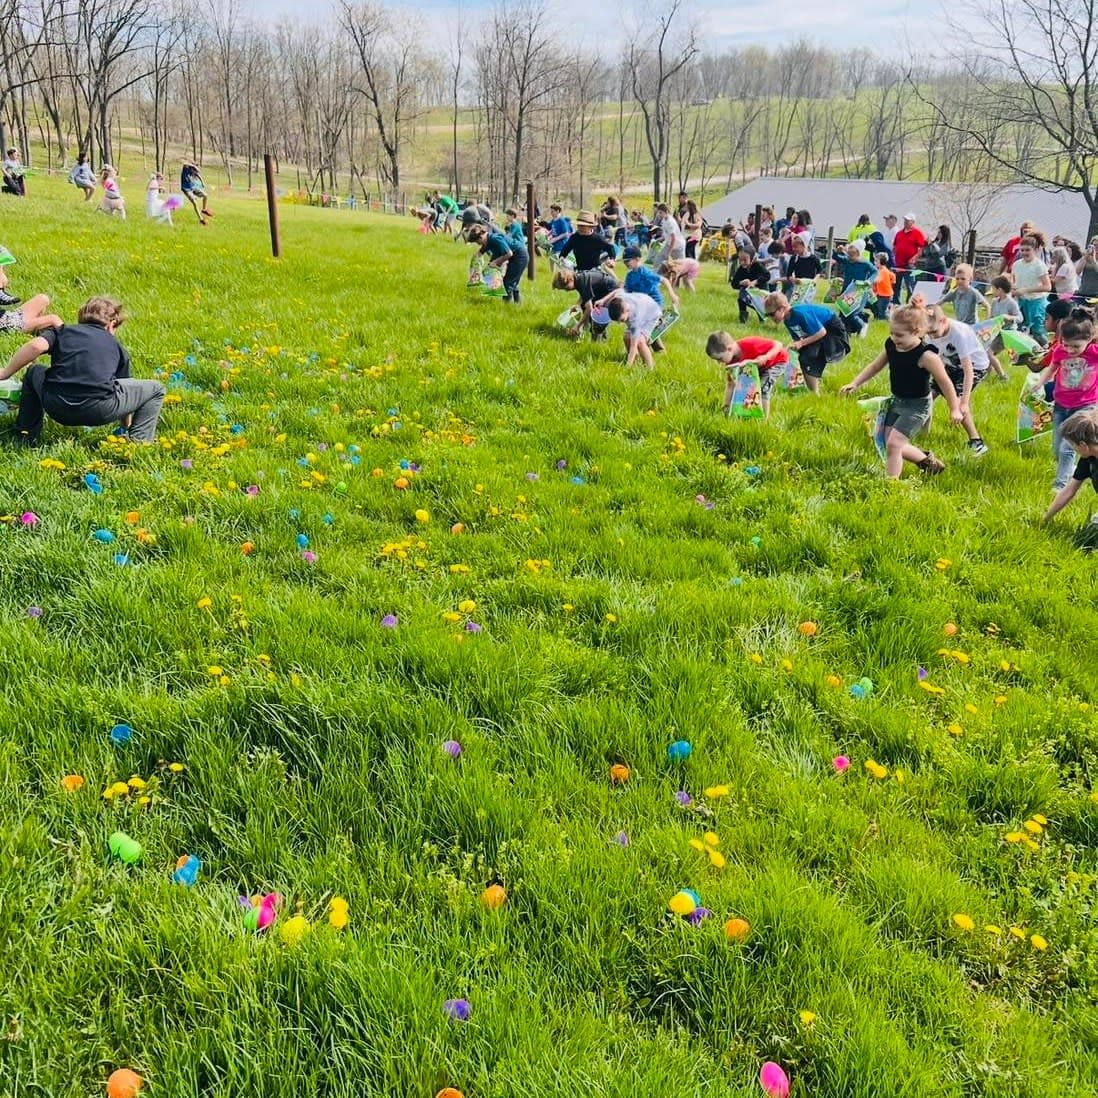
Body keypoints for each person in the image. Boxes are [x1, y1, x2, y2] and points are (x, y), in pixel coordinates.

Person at [0, 297, 165, 448]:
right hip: (99, 410)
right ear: (111, 325)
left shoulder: (63, 332)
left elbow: (36, 345)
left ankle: (25, 435)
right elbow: (124, 387)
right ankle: (138, 444)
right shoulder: (116, 346)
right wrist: (125, 424)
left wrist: (5, 373)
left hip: (56, 405)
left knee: (34, 371)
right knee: (156, 389)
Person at [840, 305, 964, 477]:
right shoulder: (891, 345)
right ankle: (930, 464)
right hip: (897, 401)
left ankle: (891, 484)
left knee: (894, 444)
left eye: (899, 335)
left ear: (917, 332)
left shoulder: (926, 356)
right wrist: (855, 383)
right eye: (891, 333)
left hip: (917, 407)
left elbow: (945, 383)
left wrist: (955, 409)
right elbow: (875, 366)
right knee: (888, 441)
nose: (894, 338)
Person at [1036, 308, 1098, 490]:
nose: (1070, 350)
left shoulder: (1094, 353)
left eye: (1076, 346)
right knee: (1057, 448)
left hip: (1085, 406)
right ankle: (1069, 469)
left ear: (1089, 339)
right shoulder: (1060, 351)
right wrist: (1040, 382)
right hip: (1061, 406)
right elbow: (1051, 368)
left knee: (1066, 446)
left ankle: (1061, 485)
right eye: (1066, 345)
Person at [924, 303, 991, 456]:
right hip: (951, 364)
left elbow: (968, 371)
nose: (932, 336)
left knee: (957, 402)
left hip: (975, 367)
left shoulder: (959, 334)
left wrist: (965, 402)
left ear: (943, 321)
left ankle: (977, 442)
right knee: (927, 395)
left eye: (934, 332)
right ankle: (921, 433)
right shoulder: (931, 330)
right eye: (929, 333)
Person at [763, 291, 850, 394]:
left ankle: (814, 393)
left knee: (808, 357)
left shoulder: (799, 314)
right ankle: (810, 389)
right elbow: (798, 339)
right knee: (803, 355)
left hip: (832, 331)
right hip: (820, 332)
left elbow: (821, 332)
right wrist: (792, 348)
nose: (770, 318)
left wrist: (801, 343)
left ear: (782, 308)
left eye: (772, 314)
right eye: (767, 315)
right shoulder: (787, 320)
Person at [706, 330, 788, 419]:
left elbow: (778, 344)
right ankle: (749, 412)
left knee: (763, 388)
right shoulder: (731, 362)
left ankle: (764, 420)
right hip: (759, 367)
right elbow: (731, 385)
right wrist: (726, 406)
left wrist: (765, 357)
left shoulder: (751, 344)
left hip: (776, 361)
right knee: (747, 387)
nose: (719, 363)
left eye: (720, 359)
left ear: (729, 349)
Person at [1042, 407, 1098, 524]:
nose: (1073, 448)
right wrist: (1045, 519)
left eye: (1073, 445)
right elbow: (1069, 491)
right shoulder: (1089, 459)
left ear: (1083, 445)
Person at [552, 266, 618, 341]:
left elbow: (589, 308)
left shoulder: (581, 281)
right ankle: (593, 333)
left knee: (597, 318)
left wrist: (578, 325)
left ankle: (597, 342)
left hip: (610, 291)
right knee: (584, 308)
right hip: (600, 292)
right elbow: (585, 294)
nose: (566, 291)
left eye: (566, 287)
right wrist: (577, 304)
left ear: (571, 279)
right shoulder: (578, 278)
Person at [469, 222, 526, 304]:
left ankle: (507, 305)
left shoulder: (494, 239)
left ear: (481, 237)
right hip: (514, 257)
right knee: (512, 281)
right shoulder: (487, 241)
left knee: (508, 283)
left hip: (520, 257)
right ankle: (517, 304)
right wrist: (474, 266)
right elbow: (479, 254)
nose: (479, 244)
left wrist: (495, 262)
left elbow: (509, 253)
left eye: (478, 242)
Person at [604, 289, 662, 367]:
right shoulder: (619, 299)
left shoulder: (635, 319)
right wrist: (602, 301)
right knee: (626, 337)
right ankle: (634, 361)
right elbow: (619, 290)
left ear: (626, 310)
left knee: (640, 341)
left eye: (622, 320)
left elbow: (633, 346)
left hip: (651, 315)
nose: (620, 323)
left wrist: (627, 367)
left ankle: (649, 367)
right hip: (644, 306)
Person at [1012, 236, 1053, 345]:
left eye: (1027, 250)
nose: (1024, 252)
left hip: (1037, 303)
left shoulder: (1039, 266)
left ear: (1035, 250)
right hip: (1021, 302)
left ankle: (1045, 350)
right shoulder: (1016, 265)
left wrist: (1026, 290)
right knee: (1019, 329)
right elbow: (1015, 282)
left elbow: (1047, 287)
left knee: (1038, 332)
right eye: (1022, 250)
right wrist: (1014, 289)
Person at [892, 213, 927, 303]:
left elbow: (922, 248)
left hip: (909, 265)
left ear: (913, 222)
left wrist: (915, 257)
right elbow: (895, 246)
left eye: (908, 220)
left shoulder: (917, 233)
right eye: (905, 220)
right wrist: (893, 256)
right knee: (896, 285)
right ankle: (896, 303)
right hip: (898, 264)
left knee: (910, 285)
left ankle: (910, 304)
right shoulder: (899, 233)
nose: (905, 222)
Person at [731, 250, 771, 324]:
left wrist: (756, 282)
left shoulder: (758, 266)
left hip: (760, 291)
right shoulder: (741, 269)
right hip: (749, 292)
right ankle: (743, 320)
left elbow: (767, 275)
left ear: (752, 259)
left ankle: (762, 319)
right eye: (740, 260)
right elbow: (733, 284)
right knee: (741, 299)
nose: (742, 262)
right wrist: (741, 283)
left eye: (745, 260)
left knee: (758, 305)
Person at [873, 253, 896, 320]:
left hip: (884, 295)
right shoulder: (884, 269)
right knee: (881, 308)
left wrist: (871, 281)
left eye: (876, 261)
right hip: (884, 294)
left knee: (882, 312)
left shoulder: (882, 271)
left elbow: (878, 280)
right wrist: (892, 282)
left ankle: (888, 319)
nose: (874, 262)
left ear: (881, 261)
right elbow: (893, 276)